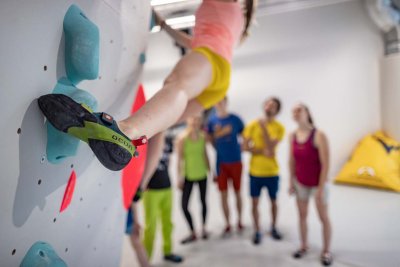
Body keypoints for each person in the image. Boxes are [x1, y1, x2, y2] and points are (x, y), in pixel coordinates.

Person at [37, 0, 257, 173]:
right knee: (162, 122)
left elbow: (204, 45)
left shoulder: (230, 4)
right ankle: (137, 165)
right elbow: (194, 42)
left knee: (176, 87)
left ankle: (124, 131)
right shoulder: (236, 18)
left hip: (210, 59)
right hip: (219, 78)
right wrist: (162, 25)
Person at [288, 103, 333, 266]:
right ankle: (303, 245)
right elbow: (291, 161)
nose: (296, 113)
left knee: (323, 217)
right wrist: (291, 181)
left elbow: (326, 164)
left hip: (317, 183)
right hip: (300, 182)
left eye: (299, 110)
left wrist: (321, 189)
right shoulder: (292, 136)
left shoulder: (319, 135)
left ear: (307, 112)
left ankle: (326, 251)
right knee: (302, 215)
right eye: (294, 111)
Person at [242, 97, 285, 245]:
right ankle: (257, 230)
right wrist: (261, 151)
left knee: (273, 202)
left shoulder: (279, 128)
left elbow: (272, 149)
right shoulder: (252, 125)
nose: (269, 106)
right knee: (254, 203)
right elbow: (245, 147)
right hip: (255, 172)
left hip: (272, 172)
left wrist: (264, 129)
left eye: (272, 105)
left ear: (277, 110)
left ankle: (273, 227)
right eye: (267, 103)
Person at [142, 132, 184, 264]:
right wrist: (143, 182)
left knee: (168, 223)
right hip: (151, 190)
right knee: (150, 226)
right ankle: (145, 259)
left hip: (167, 186)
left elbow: (168, 160)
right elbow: (139, 162)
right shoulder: (146, 139)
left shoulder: (168, 139)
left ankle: (168, 251)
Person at [206, 97, 244, 237]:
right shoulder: (211, 121)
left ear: (226, 102)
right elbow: (209, 138)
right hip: (221, 163)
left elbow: (244, 136)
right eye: (217, 101)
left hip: (236, 161)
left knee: (238, 192)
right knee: (223, 194)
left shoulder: (235, 119)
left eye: (222, 101)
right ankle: (228, 223)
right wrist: (218, 141)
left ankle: (239, 220)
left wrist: (243, 147)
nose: (219, 103)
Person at [176, 116, 210, 244]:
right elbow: (179, 160)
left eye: (197, 120)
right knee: (184, 206)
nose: (195, 122)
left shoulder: (203, 136)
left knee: (203, 202)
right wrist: (179, 177)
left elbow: (205, 153)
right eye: (193, 119)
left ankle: (204, 228)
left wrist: (211, 171)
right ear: (188, 120)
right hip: (188, 176)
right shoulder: (182, 138)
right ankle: (192, 232)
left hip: (202, 174)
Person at [125, 199, 150, 267]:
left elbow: (132, 199)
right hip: (123, 212)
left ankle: (146, 265)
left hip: (126, 213)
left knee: (137, 242)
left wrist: (135, 220)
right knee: (137, 243)